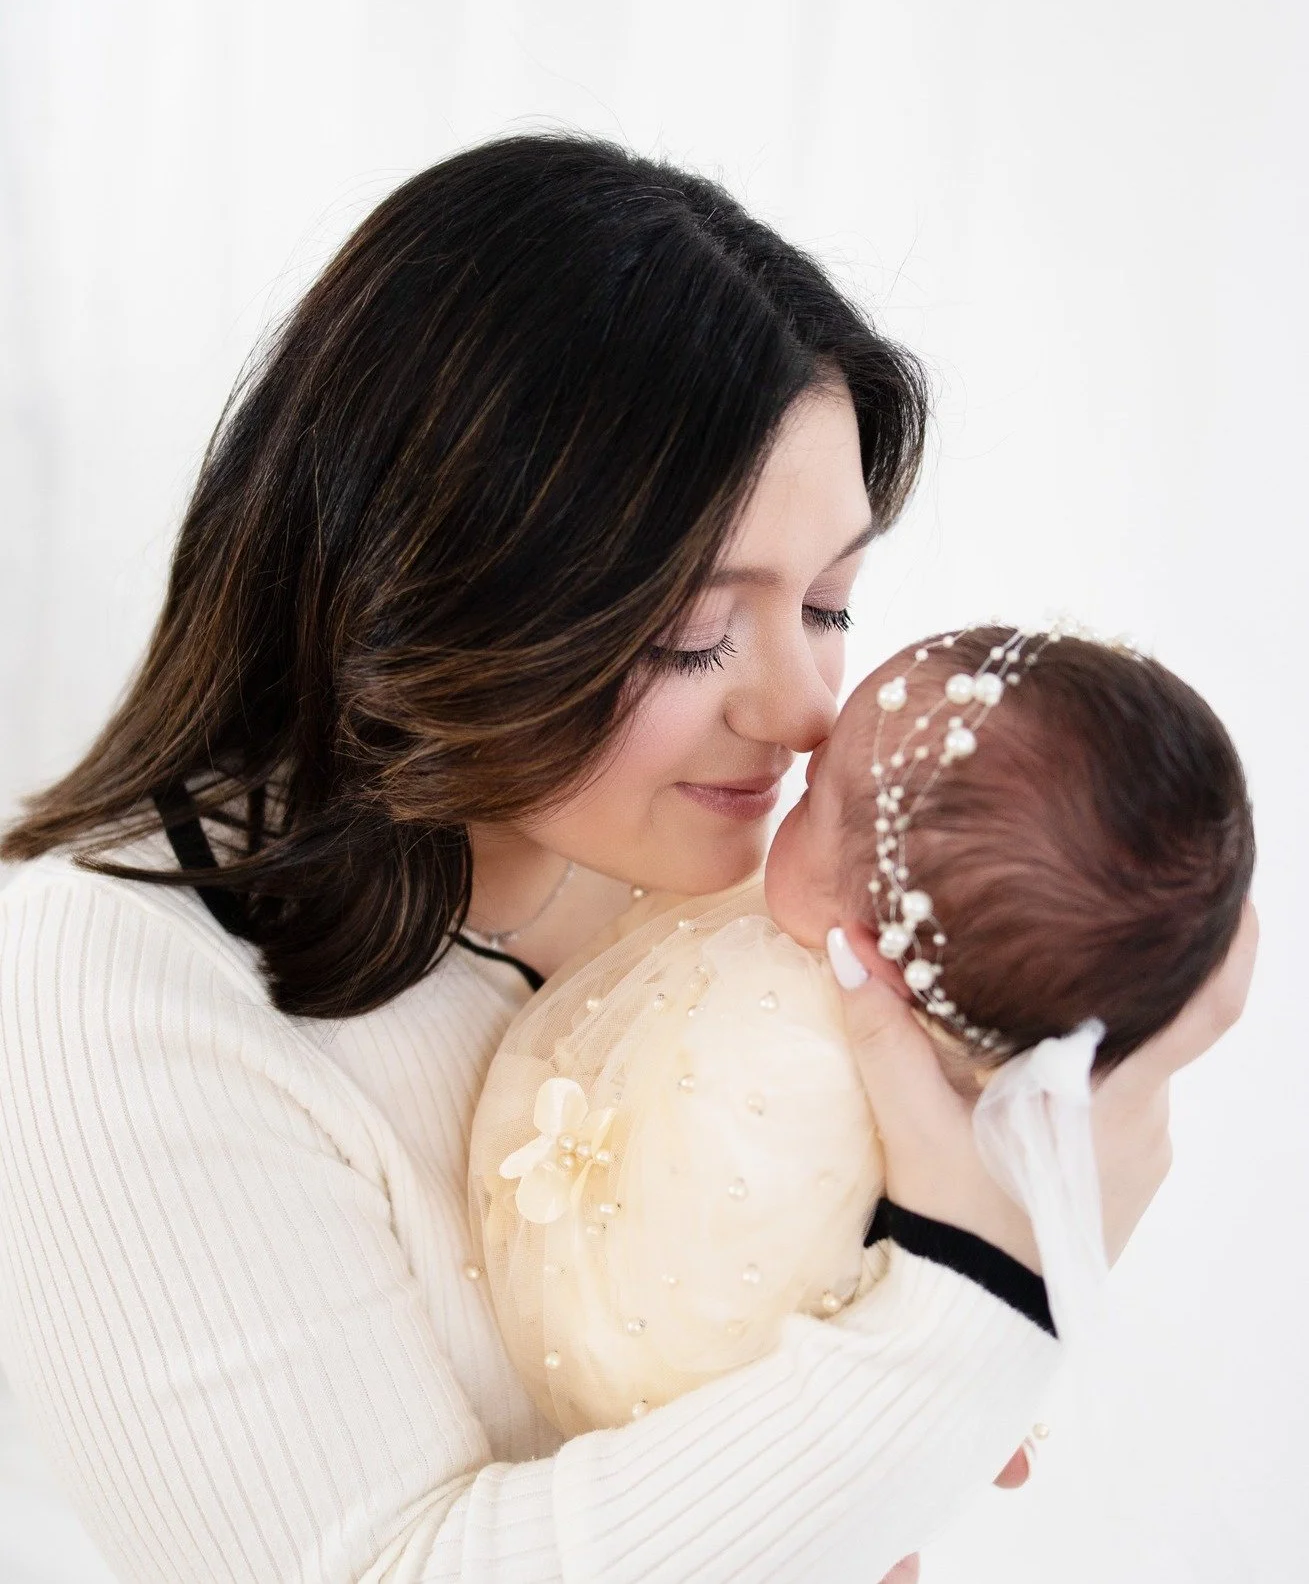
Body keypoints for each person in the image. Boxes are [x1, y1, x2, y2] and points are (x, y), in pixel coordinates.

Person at [0, 133, 1254, 1584]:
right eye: (692, 630)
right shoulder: (111, 983)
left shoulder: (748, 893)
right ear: (432, 579)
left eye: (830, 602)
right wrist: (978, 1303)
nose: (805, 712)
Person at [469, 624, 1256, 1436]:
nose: (809, 737)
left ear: (872, 950)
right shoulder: (985, 1093)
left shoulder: (776, 1052)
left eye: (814, 798)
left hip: (639, 1345)